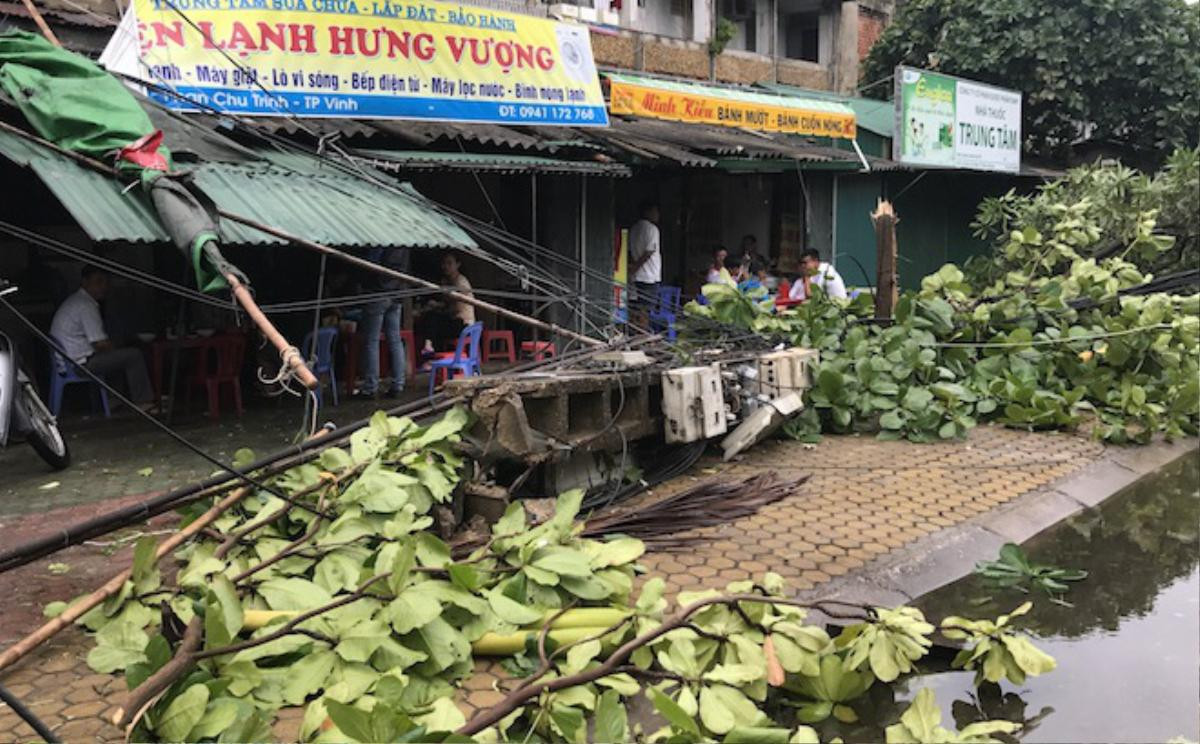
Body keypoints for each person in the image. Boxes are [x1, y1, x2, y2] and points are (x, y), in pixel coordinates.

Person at [49, 266, 154, 409]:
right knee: (133, 355)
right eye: (98, 282)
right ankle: (144, 403)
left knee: (117, 355)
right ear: (85, 282)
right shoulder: (86, 305)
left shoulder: (75, 301)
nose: (103, 287)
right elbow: (100, 344)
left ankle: (113, 400)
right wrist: (120, 346)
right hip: (79, 365)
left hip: (68, 361)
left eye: (105, 283)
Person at [355, 246, 409, 399]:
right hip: (396, 295)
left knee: (372, 341)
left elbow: (371, 262)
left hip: (378, 293)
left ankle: (370, 387)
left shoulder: (381, 241)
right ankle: (398, 384)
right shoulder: (404, 245)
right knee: (395, 340)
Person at [416, 252, 475, 357]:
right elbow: (446, 302)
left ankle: (430, 350)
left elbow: (456, 309)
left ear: (458, 264)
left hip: (463, 324)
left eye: (449, 263)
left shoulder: (461, 283)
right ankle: (431, 352)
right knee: (430, 321)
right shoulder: (446, 281)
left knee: (433, 319)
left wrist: (438, 307)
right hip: (452, 320)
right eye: (444, 263)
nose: (445, 266)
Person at [628, 201, 661, 324]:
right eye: (655, 211)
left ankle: (635, 335)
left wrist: (632, 270)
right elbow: (649, 251)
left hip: (636, 277)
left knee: (635, 308)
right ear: (647, 212)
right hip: (649, 276)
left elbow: (631, 251)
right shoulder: (652, 229)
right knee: (645, 310)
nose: (657, 214)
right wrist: (635, 267)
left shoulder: (634, 228)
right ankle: (643, 337)